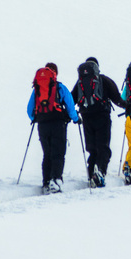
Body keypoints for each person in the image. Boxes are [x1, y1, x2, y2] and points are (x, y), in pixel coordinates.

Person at [27, 62, 80, 194]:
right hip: (58, 123)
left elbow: (29, 110)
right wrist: (76, 119)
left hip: (42, 125)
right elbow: (70, 105)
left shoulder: (37, 89)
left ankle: (46, 182)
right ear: (55, 73)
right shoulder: (60, 87)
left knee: (47, 154)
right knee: (58, 153)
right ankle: (55, 181)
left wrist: (36, 118)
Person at [71, 57, 121, 187]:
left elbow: (72, 99)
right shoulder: (104, 80)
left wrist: (70, 114)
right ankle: (100, 171)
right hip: (102, 116)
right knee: (103, 147)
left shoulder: (80, 82)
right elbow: (117, 98)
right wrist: (130, 107)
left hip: (86, 117)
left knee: (92, 148)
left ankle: (91, 172)